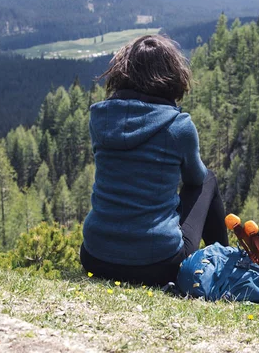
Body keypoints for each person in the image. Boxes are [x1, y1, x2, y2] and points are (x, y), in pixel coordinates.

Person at [80, 34, 229, 286]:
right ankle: (225, 264)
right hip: (157, 265)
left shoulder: (100, 118)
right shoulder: (178, 127)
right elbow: (195, 179)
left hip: (95, 257)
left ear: (122, 71)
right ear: (172, 75)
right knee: (208, 179)